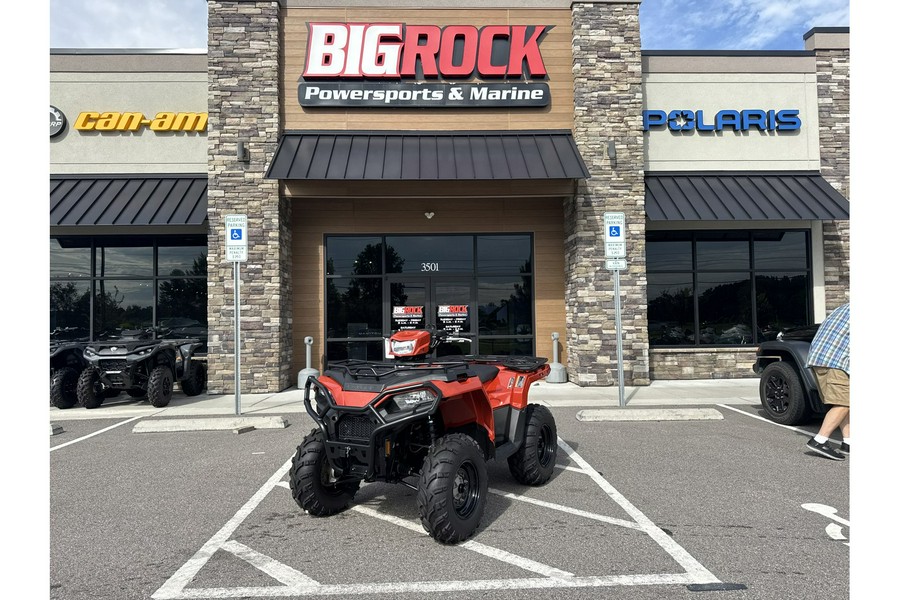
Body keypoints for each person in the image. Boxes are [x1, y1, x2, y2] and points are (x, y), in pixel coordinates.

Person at [804, 302, 850, 461]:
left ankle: (849, 442)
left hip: (822, 358)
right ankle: (819, 441)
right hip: (835, 361)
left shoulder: (845, 307)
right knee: (845, 403)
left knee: (844, 403)